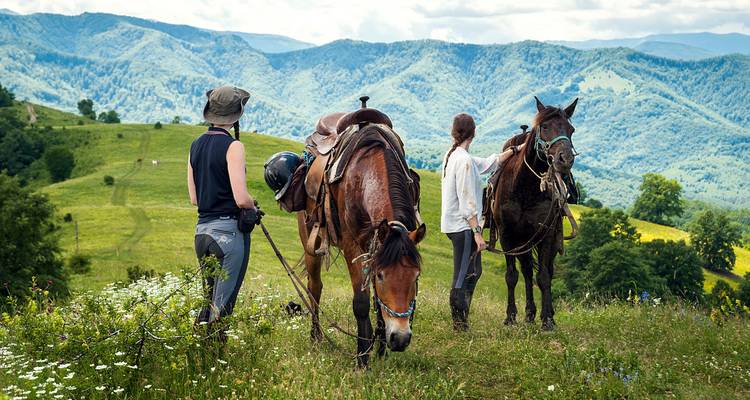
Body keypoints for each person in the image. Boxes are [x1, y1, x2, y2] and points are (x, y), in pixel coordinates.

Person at [440, 113, 525, 331]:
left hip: (458, 225)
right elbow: (468, 201)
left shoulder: (455, 155)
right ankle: (459, 323)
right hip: (463, 227)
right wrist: (477, 233)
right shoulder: (464, 161)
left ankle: (463, 315)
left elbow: (489, 163)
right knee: (462, 274)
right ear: (474, 132)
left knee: (474, 270)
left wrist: (516, 149)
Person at [187, 85, 257, 340]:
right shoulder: (233, 146)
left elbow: (194, 198)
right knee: (222, 307)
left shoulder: (195, 145)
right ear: (236, 115)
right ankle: (213, 358)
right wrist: (253, 204)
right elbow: (241, 198)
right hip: (227, 234)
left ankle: (200, 352)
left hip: (201, 234)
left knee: (208, 300)